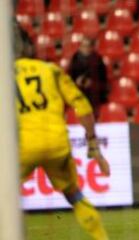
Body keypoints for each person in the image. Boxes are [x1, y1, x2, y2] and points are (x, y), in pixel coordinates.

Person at [15, 25, 110, 240]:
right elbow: (82, 106)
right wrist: (93, 145)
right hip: (56, 142)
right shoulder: (50, 70)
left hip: (22, 148)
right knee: (74, 194)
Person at [68, 37, 109, 119]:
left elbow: (103, 80)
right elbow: (70, 78)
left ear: (91, 47)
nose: (85, 48)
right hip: (79, 91)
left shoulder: (98, 59)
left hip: (95, 94)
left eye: (87, 46)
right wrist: (77, 82)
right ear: (79, 47)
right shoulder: (74, 59)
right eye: (83, 46)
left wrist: (92, 83)